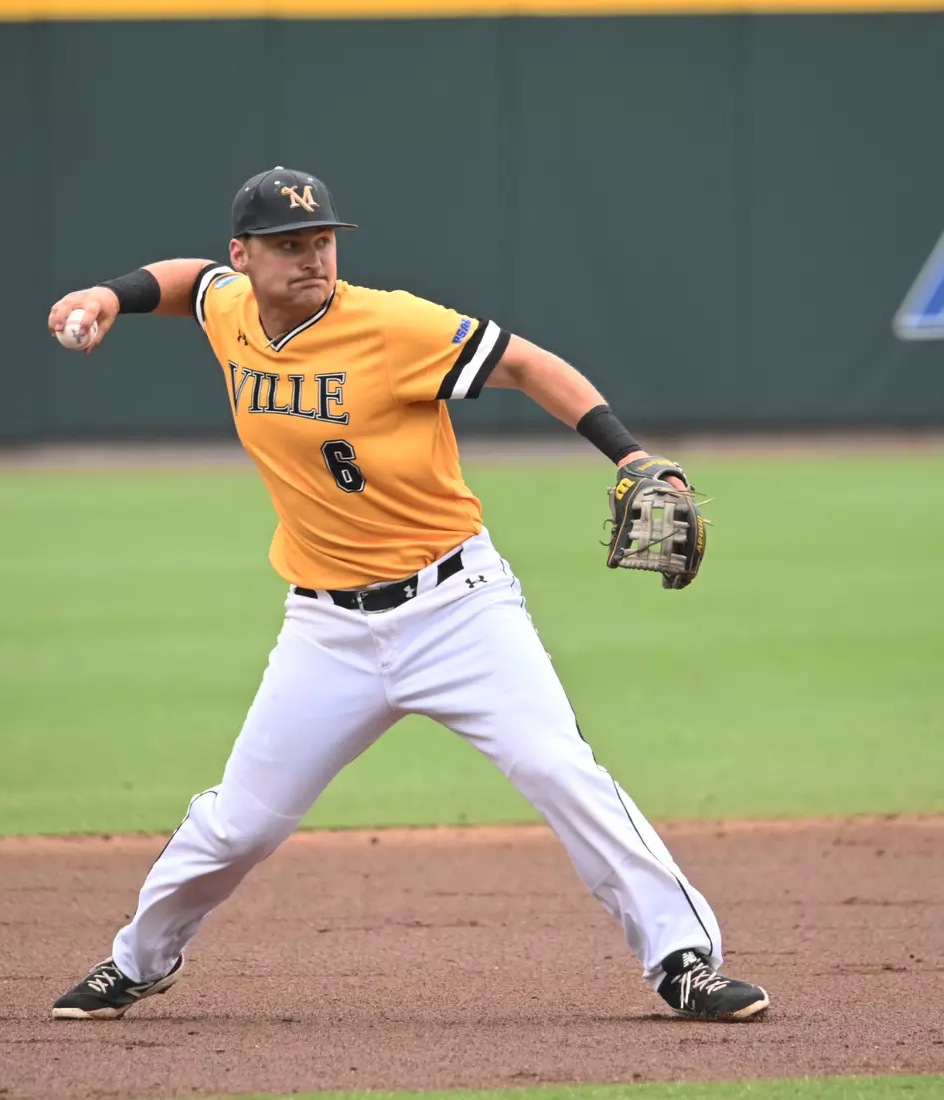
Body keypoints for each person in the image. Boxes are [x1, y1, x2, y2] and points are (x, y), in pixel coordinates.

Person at [44, 167, 769, 1023]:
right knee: (241, 825)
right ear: (246, 255)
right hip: (325, 629)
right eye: (287, 245)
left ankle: (683, 960)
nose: (312, 258)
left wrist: (630, 455)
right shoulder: (231, 307)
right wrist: (105, 294)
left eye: (321, 241)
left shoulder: (393, 324)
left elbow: (530, 365)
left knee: (561, 771)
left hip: (458, 608)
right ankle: (137, 960)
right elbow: (186, 283)